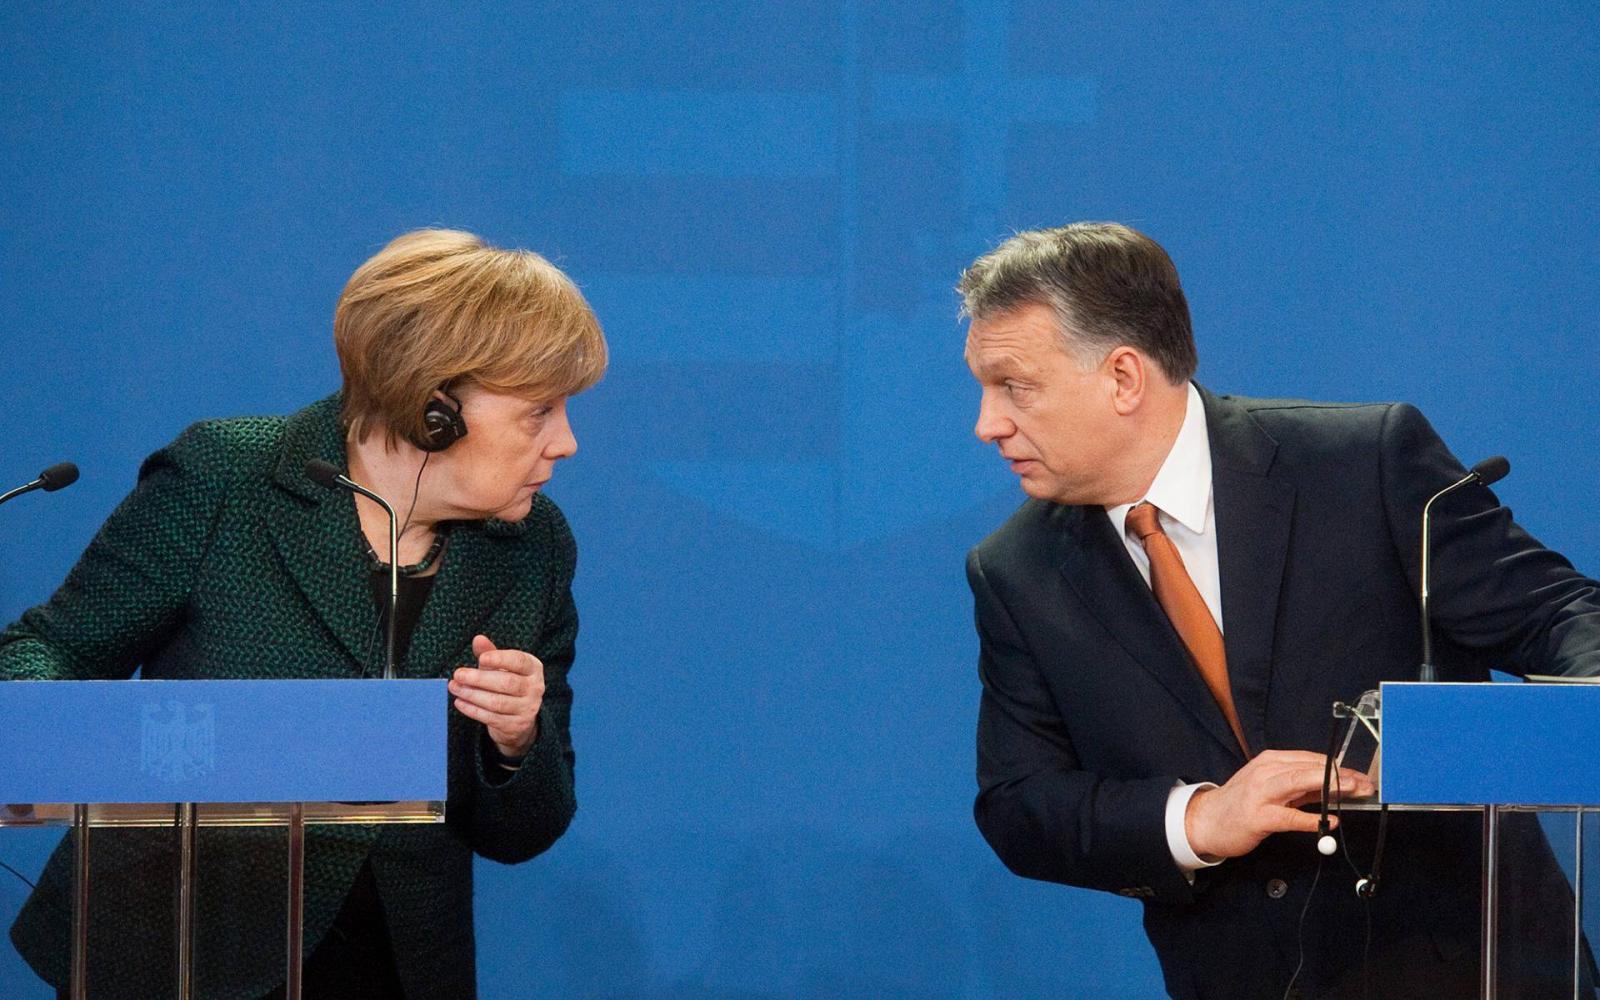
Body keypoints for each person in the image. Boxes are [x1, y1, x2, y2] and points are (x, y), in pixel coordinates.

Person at [959, 222, 1600, 999]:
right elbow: (1021, 803)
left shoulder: (1361, 462)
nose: (987, 423)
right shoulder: (1018, 571)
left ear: (1123, 377)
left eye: (1014, 386)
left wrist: (1528, 728)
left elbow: (1562, 617)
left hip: (1470, 967)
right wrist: (1198, 819)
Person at [1, 228, 607, 999]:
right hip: (179, 948)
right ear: (437, 408)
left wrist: (517, 740)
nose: (567, 442)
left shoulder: (532, 547)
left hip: (397, 968)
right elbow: (52, 648)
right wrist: (52, 728)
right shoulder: (228, 476)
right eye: (540, 411)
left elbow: (526, 832)